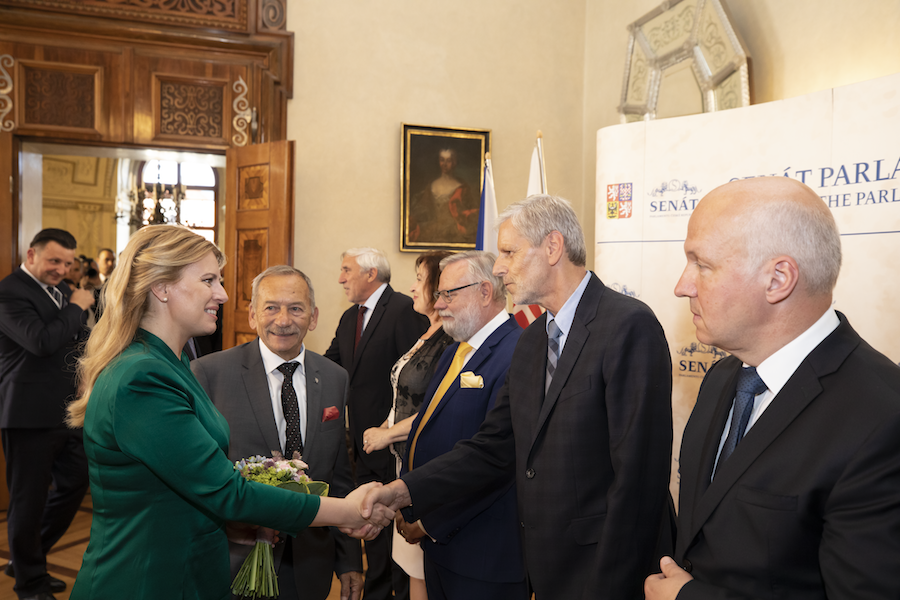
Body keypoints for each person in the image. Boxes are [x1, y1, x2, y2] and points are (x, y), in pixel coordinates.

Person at [363, 195, 674, 599]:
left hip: (606, 572)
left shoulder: (628, 325)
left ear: (552, 247)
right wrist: (401, 491)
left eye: (509, 251)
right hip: (544, 568)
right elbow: (491, 448)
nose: (497, 267)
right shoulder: (531, 341)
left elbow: (637, 479)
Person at [65, 225, 393, 600]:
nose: (222, 294)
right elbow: (226, 491)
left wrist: (237, 525)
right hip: (148, 577)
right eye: (208, 280)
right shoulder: (143, 376)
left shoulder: (172, 364)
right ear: (162, 287)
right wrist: (348, 512)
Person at [644, 177, 900, 600]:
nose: (682, 285)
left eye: (702, 265)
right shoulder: (723, 379)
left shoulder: (882, 420)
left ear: (778, 279)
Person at [192, 265, 364, 600]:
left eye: (296, 308)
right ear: (253, 315)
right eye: (271, 307)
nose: (283, 320)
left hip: (310, 563)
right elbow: (198, 476)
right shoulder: (210, 374)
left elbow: (339, 474)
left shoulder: (334, 377)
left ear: (313, 317)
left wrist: (348, 560)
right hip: (233, 560)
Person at [399, 251, 525, 600]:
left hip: (482, 554)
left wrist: (428, 522)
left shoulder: (519, 351)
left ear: (485, 291)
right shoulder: (456, 349)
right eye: (438, 295)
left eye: (448, 294)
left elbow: (499, 461)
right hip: (441, 548)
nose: (438, 305)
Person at [325, 247, 429, 600]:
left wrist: (390, 431)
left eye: (346, 270)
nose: (340, 278)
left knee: (399, 539)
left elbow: (417, 380)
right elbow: (333, 366)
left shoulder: (404, 310)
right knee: (374, 531)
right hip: (362, 444)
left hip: (396, 445)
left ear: (371, 274)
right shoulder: (349, 317)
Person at [0, 228, 94, 600]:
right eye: (54, 261)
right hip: (26, 413)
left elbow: (72, 342)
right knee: (29, 499)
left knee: (76, 482)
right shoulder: (9, 292)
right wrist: (77, 306)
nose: (61, 269)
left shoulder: (62, 293)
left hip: (66, 411)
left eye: (68, 263)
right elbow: (41, 342)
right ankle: (30, 582)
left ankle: (27, 558)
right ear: (31, 254)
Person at [362, 251, 454, 600]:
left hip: (426, 467)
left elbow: (435, 409)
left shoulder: (450, 340)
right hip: (404, 463)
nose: (412, 288)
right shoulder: (426, 332)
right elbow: (405, 392)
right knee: (410, 567)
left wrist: (387, 434)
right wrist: (385, 426)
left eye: (419, 279)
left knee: (421, 570)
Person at [409, 149, 479, 245]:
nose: (444, 164)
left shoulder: (462, 188)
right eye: (442, 160)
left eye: (448, 161)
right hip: (430, 233)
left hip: (452, 233)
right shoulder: (431, 185)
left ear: (454, 163)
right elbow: (422, 210)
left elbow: (470, 212)